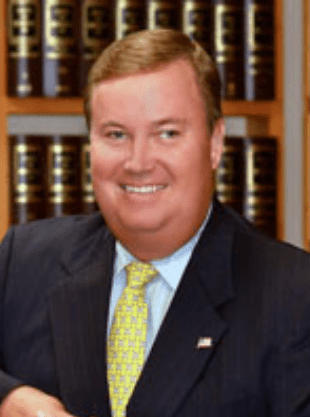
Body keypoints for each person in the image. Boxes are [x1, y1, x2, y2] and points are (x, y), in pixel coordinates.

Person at [0, 29, 310, 417]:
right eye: (116, 134)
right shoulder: (23, 262)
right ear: (90, 146)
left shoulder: (295, 296)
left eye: (167, 133)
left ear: (215, 144)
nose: (139, 162)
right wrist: (8, 398)